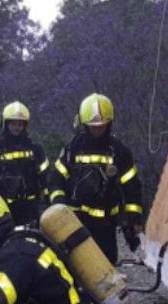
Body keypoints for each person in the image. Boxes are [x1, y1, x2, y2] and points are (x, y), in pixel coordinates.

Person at [43, 93, 144, 264]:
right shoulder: (72, 149)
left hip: (106, 224)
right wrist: (58, 202)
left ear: (109, 123)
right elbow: (56, 178)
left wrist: (133, 220)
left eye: (102, 125)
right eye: (93, 126)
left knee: (106, 267)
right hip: (75, 222)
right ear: (84, 124)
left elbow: (132, 188)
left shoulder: (119, 151)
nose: (98, 129)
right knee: (75, 265)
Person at [0, 101, 47, 227]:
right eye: (13, 123)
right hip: (5, 209)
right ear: (5, 124)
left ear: (25, 125)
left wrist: (47, 201)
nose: (17, 127)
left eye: (20, 123)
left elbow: (46, 176)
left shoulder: (35, 148)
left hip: (31, 208)